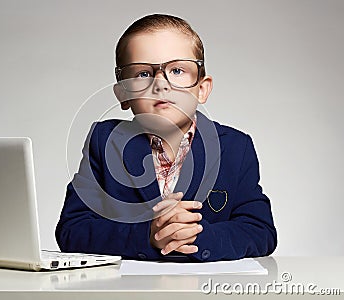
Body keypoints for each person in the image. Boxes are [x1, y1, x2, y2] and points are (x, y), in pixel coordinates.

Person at [56, 14, 277, 262]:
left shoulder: (236, 146)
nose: (161, 84)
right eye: (142, 74)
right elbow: (71, 230)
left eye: (177, 70)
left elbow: (261, 231)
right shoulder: (105, 141)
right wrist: (147, 234)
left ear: (202, 88)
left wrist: (195, 234)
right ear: (123, 94)